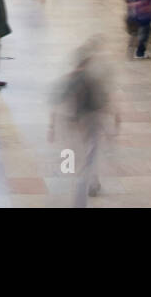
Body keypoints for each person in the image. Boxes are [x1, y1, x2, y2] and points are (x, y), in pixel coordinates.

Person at [50, 42, 116, 206]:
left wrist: (51, 127)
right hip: (90, 123)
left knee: (85, 158)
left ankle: (94, 183)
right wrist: (110, 125)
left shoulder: (69, 79)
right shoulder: (92, 80)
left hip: (73, 125)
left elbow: (57, 103)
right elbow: (103, 103)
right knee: (88, 159)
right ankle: (83, 197)